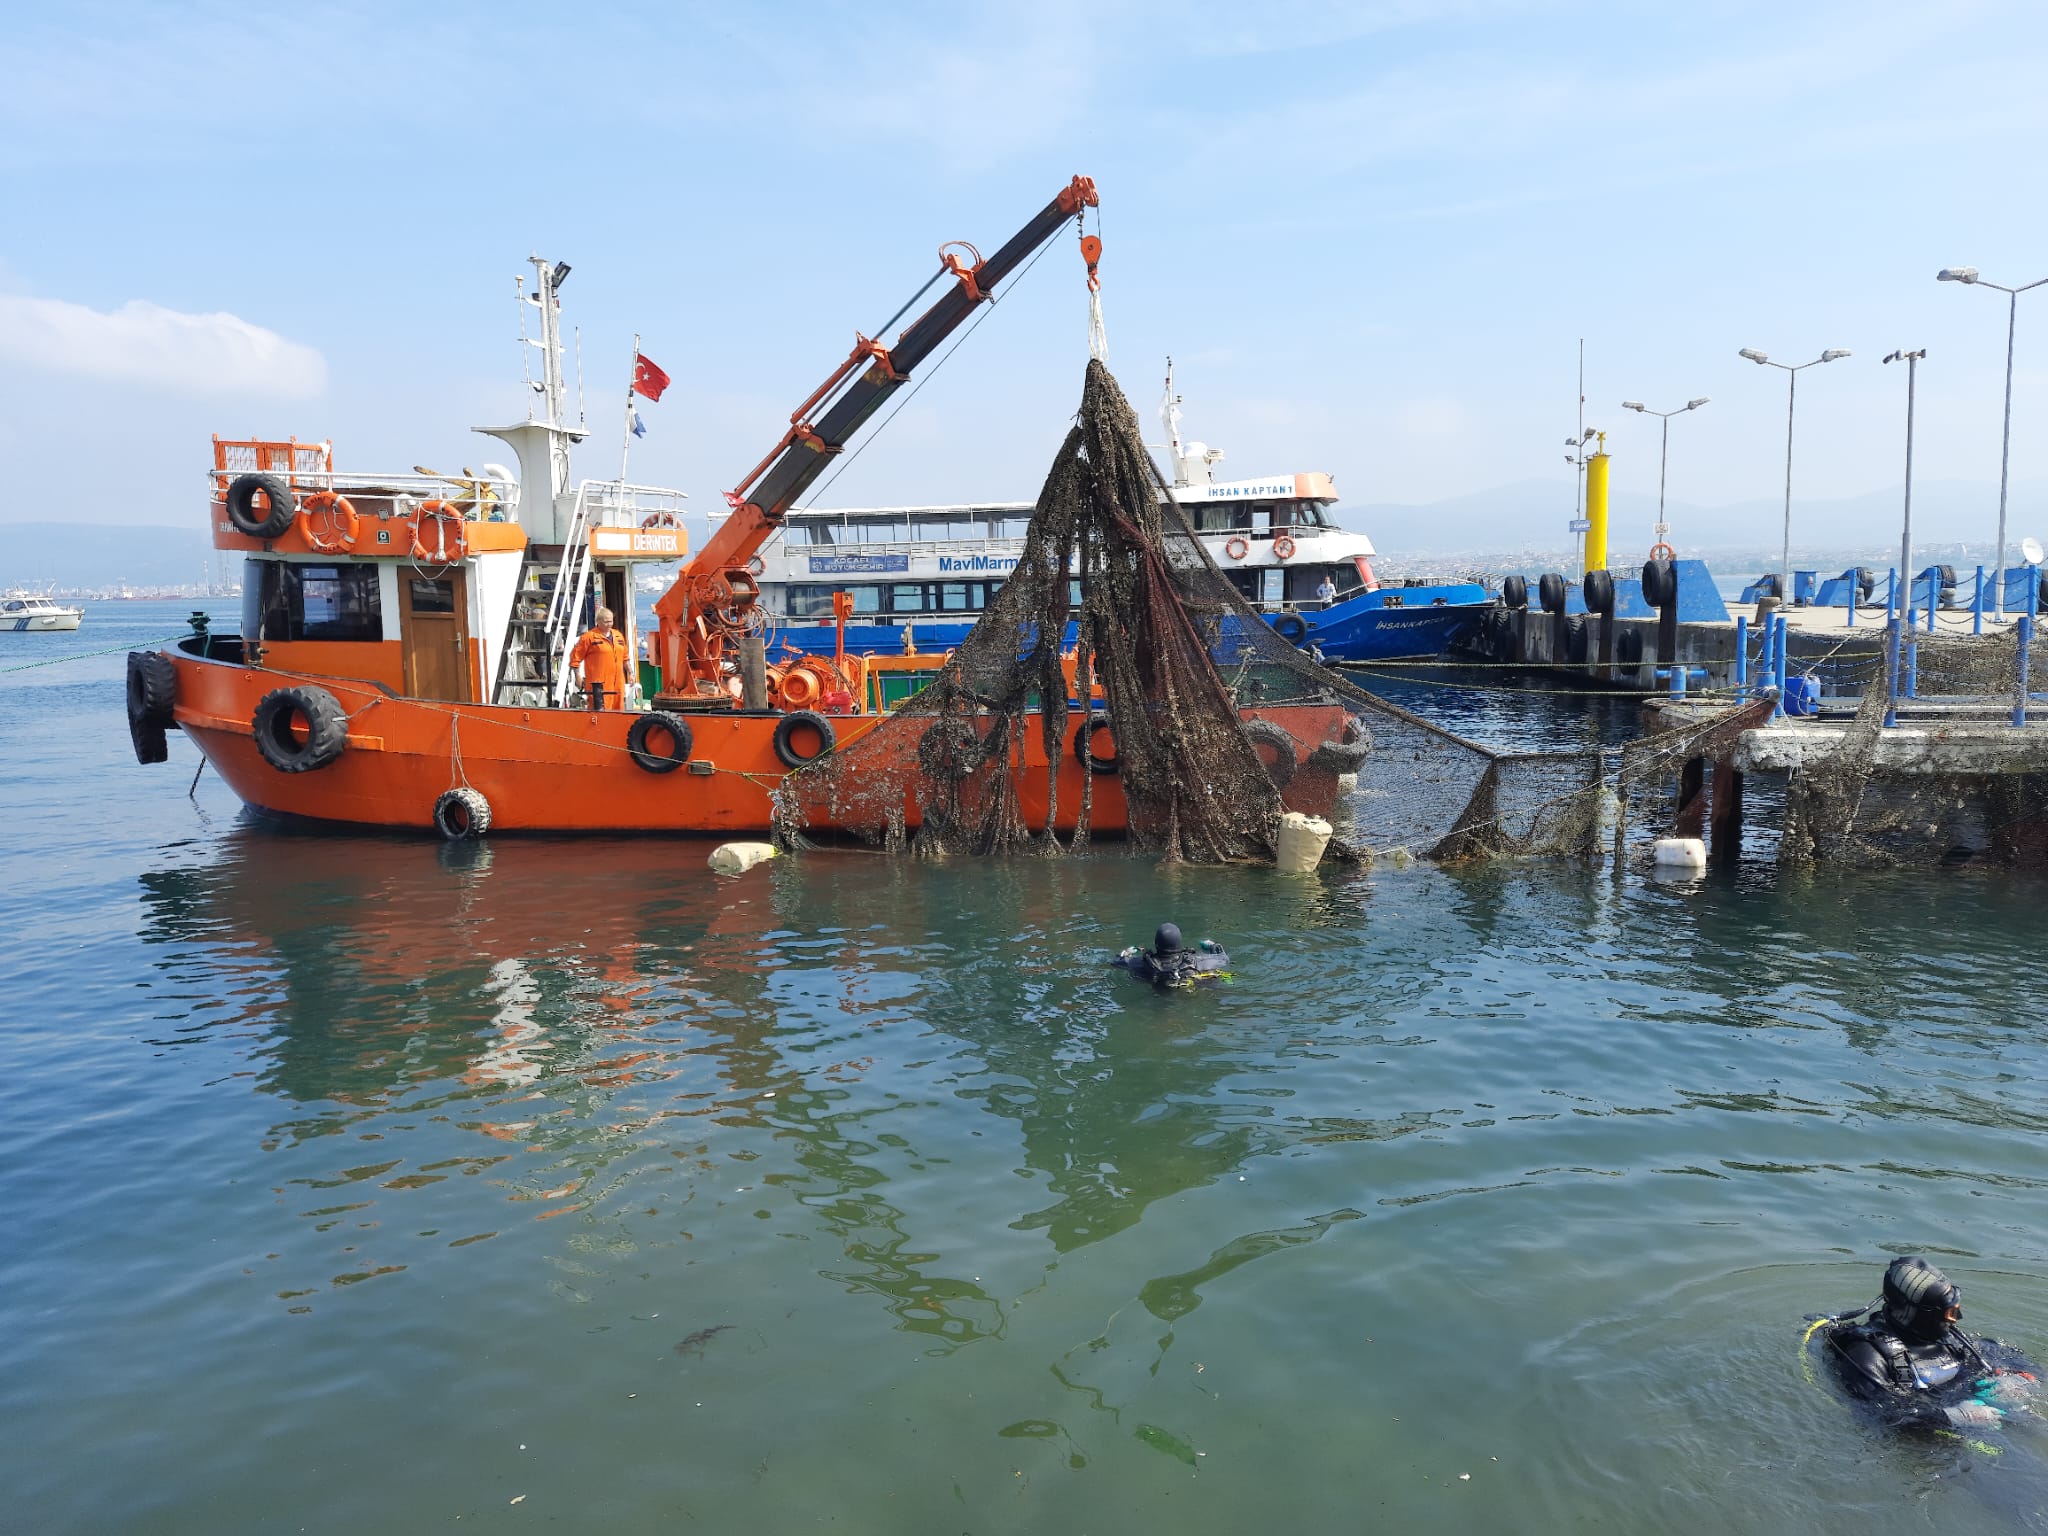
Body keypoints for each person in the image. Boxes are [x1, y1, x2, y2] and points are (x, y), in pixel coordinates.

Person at [1817, 1256, 2038, 1430]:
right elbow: (1881, 1414)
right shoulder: (1867, 1354)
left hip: (1983, 1422)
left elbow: (2022, 1362)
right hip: (1932, 1447)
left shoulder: (1954, 1340)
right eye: (1949, 1313)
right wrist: (1953, 1417)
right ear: (1916, 1312)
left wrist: (2016, 1380)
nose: (1955, 1320)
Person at [1112, 923, 1230, 988]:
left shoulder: (1140, 965)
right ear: (1179, 943)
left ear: (1156, 944)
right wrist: (1213, 946)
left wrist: (1125, 953)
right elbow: (1224, 959)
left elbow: (1116, 962)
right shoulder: (1198, 962)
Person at [569, 606, 630, 712]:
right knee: (600, 713)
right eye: (606, 622)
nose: (609, 624)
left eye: (611, 621)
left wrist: (630, 672)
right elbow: (575, 658)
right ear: (598, 621)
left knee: (619, 712)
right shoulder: (589, 637)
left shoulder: (618, 636)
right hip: (598, 685)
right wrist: (577, 676)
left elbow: (625, 657)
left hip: (618, 683)